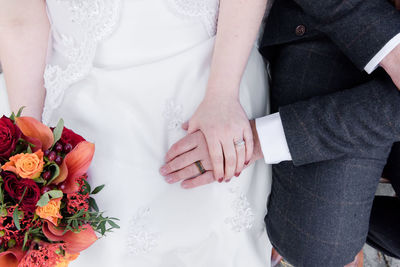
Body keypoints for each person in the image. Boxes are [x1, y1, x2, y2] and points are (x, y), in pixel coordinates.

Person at [0, 0, 273, 266]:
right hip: (71, 109)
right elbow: (20, 17)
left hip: (213, 87)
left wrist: (223, 95)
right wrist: (30, 156)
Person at [161, 0, 400, 266]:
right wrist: (390, 45)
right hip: (343, 20)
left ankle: (356, 213)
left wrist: (257, 141)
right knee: (320, 248)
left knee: (322, 238)